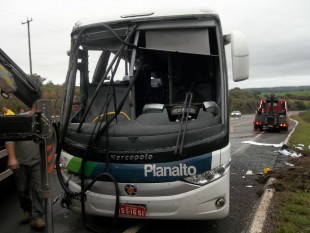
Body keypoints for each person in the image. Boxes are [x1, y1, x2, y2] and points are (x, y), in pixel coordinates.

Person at [5, 102, 46, 230]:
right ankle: (26, 211)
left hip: (36, 161)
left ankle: (37, 217)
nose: (40, 108)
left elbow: (49, 139)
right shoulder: (21, 119)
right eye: (37, 106)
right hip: (20, 161)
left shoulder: (43, 121)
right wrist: (12, 157)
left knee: (38, 189)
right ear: (33, 106)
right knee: (22, 190)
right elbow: (10, 139)